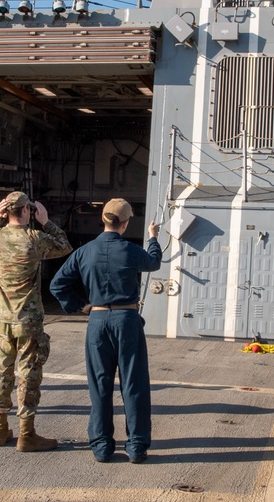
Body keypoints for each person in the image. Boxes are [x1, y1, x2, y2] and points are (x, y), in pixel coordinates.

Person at [50, 198, 162, 464]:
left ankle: (101, 445)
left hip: (98, 321)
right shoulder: (131, 250)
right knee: (133, 384)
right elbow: (153, 263)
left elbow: (58, 285)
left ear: (103, 219)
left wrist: (81, 306)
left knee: (100, 384)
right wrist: (153, 237)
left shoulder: (85, 251)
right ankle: (136, 446)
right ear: (125, 223)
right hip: (127, 319)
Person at [0, 191, 72, 452]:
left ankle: (0, 430)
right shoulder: (34, 239)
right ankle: (26, 434)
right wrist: (46, 221)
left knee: (2, 373)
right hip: (28, 319)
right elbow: (64, 246)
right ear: (25, 211)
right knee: (28, 375)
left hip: (1, 319)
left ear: (6, 211)